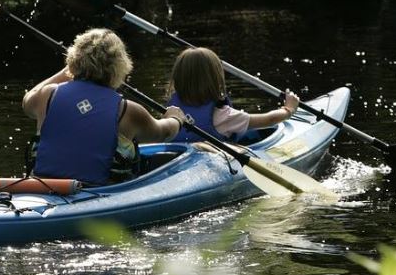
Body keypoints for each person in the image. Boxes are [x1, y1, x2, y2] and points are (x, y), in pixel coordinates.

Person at [22, 28, 186, 185]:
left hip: (43, 186)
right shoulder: (128, 110)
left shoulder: (48, 95)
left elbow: (27, 101)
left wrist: (69, 70)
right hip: (99, 191)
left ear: (73, 61)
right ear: (121, 66)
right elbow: (163, 132)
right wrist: (175, 118)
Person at [166, 47, 299, 143]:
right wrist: (288, 109)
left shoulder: (171, 112)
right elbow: (268, 120)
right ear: (215, 80)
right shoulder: (225, 116)